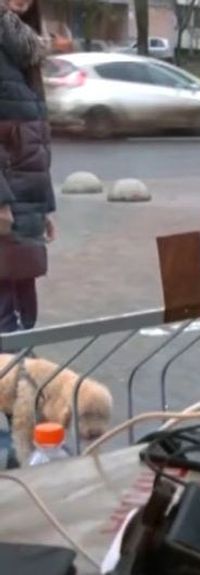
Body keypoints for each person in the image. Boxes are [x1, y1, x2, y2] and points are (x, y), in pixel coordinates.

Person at [1, 0, 56, 334]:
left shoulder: (23, 50)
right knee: (7, 321)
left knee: (24, 316)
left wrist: (44, 209)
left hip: (25, 205)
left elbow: (33, 141)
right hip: (6, 205)